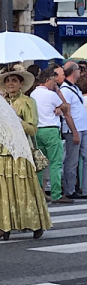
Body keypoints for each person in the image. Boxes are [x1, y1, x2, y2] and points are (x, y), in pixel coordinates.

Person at [0, 65, 52, 241]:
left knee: (24, 189)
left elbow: (33, 129)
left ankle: (34, 222)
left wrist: (16, 119)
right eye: (7, 81)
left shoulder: (28, 102)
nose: (10, 84)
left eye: (14, 80)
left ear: (21, 83)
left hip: (19, 151)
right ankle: (1, 227)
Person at [31, 68, 73, 204]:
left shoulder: (33, 94)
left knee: (40, 164)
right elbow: (66, 107)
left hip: (37, 130)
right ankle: (56, 194)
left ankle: (38, 193)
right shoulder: (51, 95)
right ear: (48, 80)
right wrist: (59, 96)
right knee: (55, 163)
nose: (54, 85)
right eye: (54, 82)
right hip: (51, 129)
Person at [60, 61, 87, 199]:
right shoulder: (65, 89)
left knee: (84, 158)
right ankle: (70, 189)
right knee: (72, 161)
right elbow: (67, 113)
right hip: (74, 129)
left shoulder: (75, 88)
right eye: (78, 69)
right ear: (73, 71)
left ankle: (84, 188)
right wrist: (74, 131)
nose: (80, 72)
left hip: (83, 127)